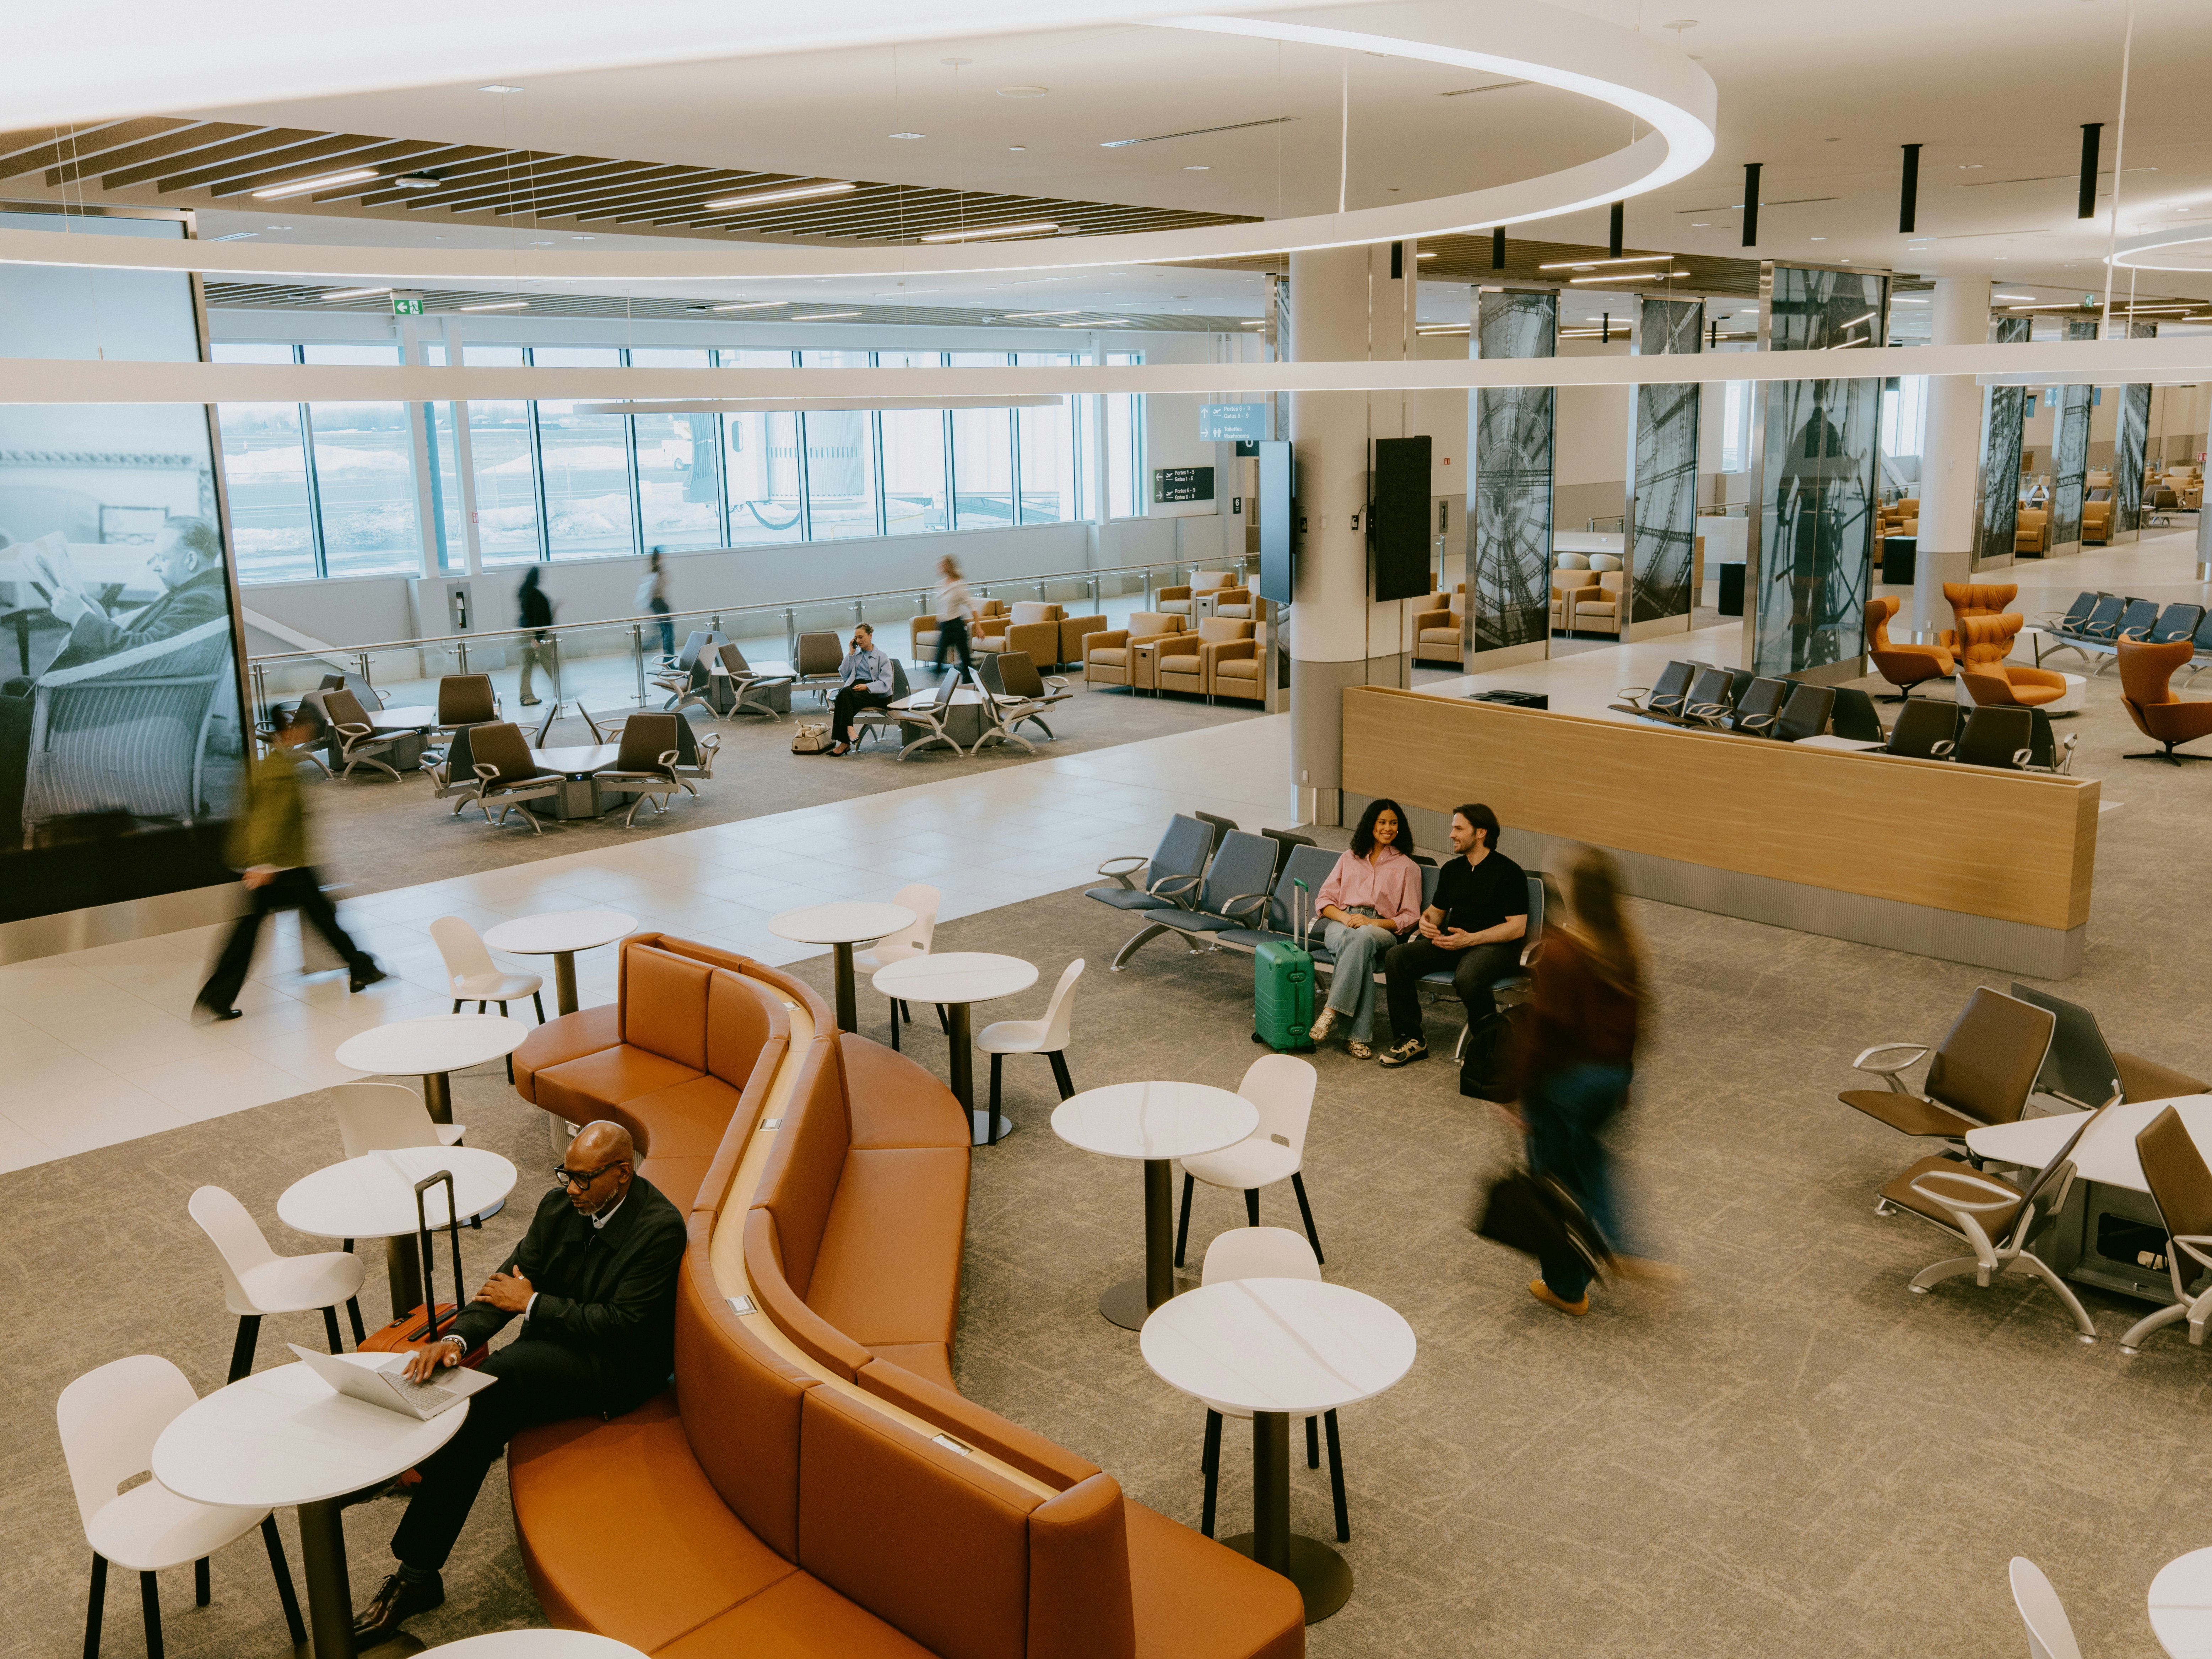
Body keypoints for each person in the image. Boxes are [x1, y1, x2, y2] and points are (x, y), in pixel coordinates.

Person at [353, 1120, 687, 1645]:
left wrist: (531, 1303)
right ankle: (417, 1570)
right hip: (550, 1350)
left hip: (616, 1370)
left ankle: (414, 1540)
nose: (570, 1188)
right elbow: (505, 1284)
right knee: (477, 1399)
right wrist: (457, 1342)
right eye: (566, 1175)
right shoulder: (560, 1208)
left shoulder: (660, 1228)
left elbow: (620, 1325)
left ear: (621, 1174)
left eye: (583, 1179)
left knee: (498, 1381)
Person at [0, 516, 231, 837]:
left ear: (190, 560)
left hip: (125, 715)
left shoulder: (203, 598)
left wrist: (81, 618)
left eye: (161, 557)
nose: (153, 565)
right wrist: (99, 620)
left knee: (5, 710)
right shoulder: (203, 590)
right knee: (17, 688)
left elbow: (147, 653)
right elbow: (153, 651)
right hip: (135, 701)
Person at [194, 702, 384, 1020]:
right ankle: (360, 967)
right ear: (293, 730)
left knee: (313, 916)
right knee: (283, 924)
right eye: (306, 728)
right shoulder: (280, 769)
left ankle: (361, 967)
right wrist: (262, 864)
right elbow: (270, 819)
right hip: (281, 865)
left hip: (282, 863)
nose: (308, 733)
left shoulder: (274, 763)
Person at [1516, 847, 1643, 1315]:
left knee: (1550, 1183)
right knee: (1588, 1165)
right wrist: (1623, 1078)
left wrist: (1518, 1093)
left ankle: (1566, 1288)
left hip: (1563, 1086)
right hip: (1609, 1079)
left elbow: (1545, 1032)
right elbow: (1635, 1019)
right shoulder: (1624, 944)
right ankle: (1622, 1242)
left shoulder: (1563, 951)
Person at [1378, 803, 1527, 1069]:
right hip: (1455, 941)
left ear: (1480, 833)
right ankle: (1411, 1038)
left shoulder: (1508, 872)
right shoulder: (1452, 870)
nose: (1451, 835)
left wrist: (1471, 939)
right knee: (1396, 957)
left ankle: (1489, 1047)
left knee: (1468, 977)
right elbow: (1435, 912)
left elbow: (1516, 927)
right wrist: (1426, 923)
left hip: (1495, 946)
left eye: (1458, 828)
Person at [1306, 799, 1422, 1059]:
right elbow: (1324, 901)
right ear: (1371, 824)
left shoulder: (1408, 867)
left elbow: (1410, 917)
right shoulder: (1349, 858)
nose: (1388, 828)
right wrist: (1347, 919)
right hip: (1342, 922)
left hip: (1380, 929)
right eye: (1382, 822)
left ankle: (1330, 1012)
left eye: (1393, 823)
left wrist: (1370, 922)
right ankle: (1353, 1037)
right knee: (1360, 952)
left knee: (1363, 938)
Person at [825, 622, 897, 756]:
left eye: (861, 637)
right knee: (845, 693)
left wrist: (867, 687)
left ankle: (844, 743)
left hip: (876, 692)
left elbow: (886, 683)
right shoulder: (856, 655)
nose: (858, 641)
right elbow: (844, 674)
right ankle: (850, 731)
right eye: (856, 638)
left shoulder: (882, 656)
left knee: (842, 697)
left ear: (870, 636)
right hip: (856, 689)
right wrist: (851, 654)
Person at [931, 555, 976, 682]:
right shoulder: (940, 585)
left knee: (965, 657)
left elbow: (971, 605)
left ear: (948, 566)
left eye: (942, 565)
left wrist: (978, 627)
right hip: (945, 625)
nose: (939, 567)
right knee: (939, 657)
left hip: (956, 624)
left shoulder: (958, 585)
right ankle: (937, 686)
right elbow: (943, 606)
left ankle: (969, 683)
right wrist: (938, 620)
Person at [517, 567, 555, 707]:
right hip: (533, 634)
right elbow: (540, 617)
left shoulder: (523, 591)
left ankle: (526, 695)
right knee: (548, 662)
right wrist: (538, 638)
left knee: (527, 665)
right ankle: (559, 690)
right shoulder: (536, 595)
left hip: (524, 632)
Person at [637, 551, 674, 661]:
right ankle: (668, 661)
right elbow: (664, 584)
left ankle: (667, 659)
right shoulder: (659, 570)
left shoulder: (652, 570)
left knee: (664, 632)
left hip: (657, 603)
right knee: (667, 633)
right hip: (659, 603)